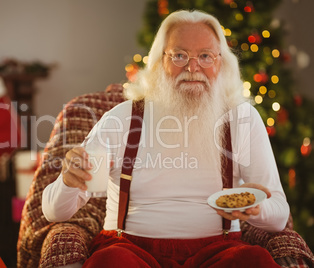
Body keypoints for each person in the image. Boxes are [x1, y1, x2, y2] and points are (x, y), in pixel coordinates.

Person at [42, 9, 290, 268]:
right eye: (180, 55)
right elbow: (53, 211)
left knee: (254, 260)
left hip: (219, 251)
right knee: (110, 261)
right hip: (129, 250)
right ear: (160, 62)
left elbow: (279, 217)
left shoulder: (242, 119)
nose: (193, 68)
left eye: (205, 56)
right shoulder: (122, 118)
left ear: (221, 63)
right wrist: (69, 182)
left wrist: (255, 209)